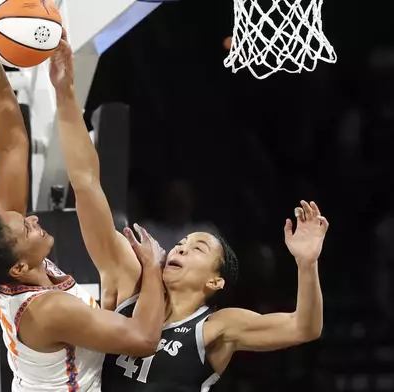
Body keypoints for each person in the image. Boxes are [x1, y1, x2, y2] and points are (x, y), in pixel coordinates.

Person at [48, 37, 328, 391]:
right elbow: (87, 185)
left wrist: (307, 264)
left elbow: (305, 328)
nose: (179, 247)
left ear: (214, 282)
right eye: (182, 243)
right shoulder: (129, 282)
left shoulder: (216, 327)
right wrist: (65, 95)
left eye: (197, 249)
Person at [0, 2, 167, 391]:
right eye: (26, 228)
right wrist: (154, 269)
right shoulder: (49, 310)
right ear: (19, 269)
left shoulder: (8, 261)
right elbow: (144, 340)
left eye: (22, 219)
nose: (31, 218)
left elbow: (11, 148)